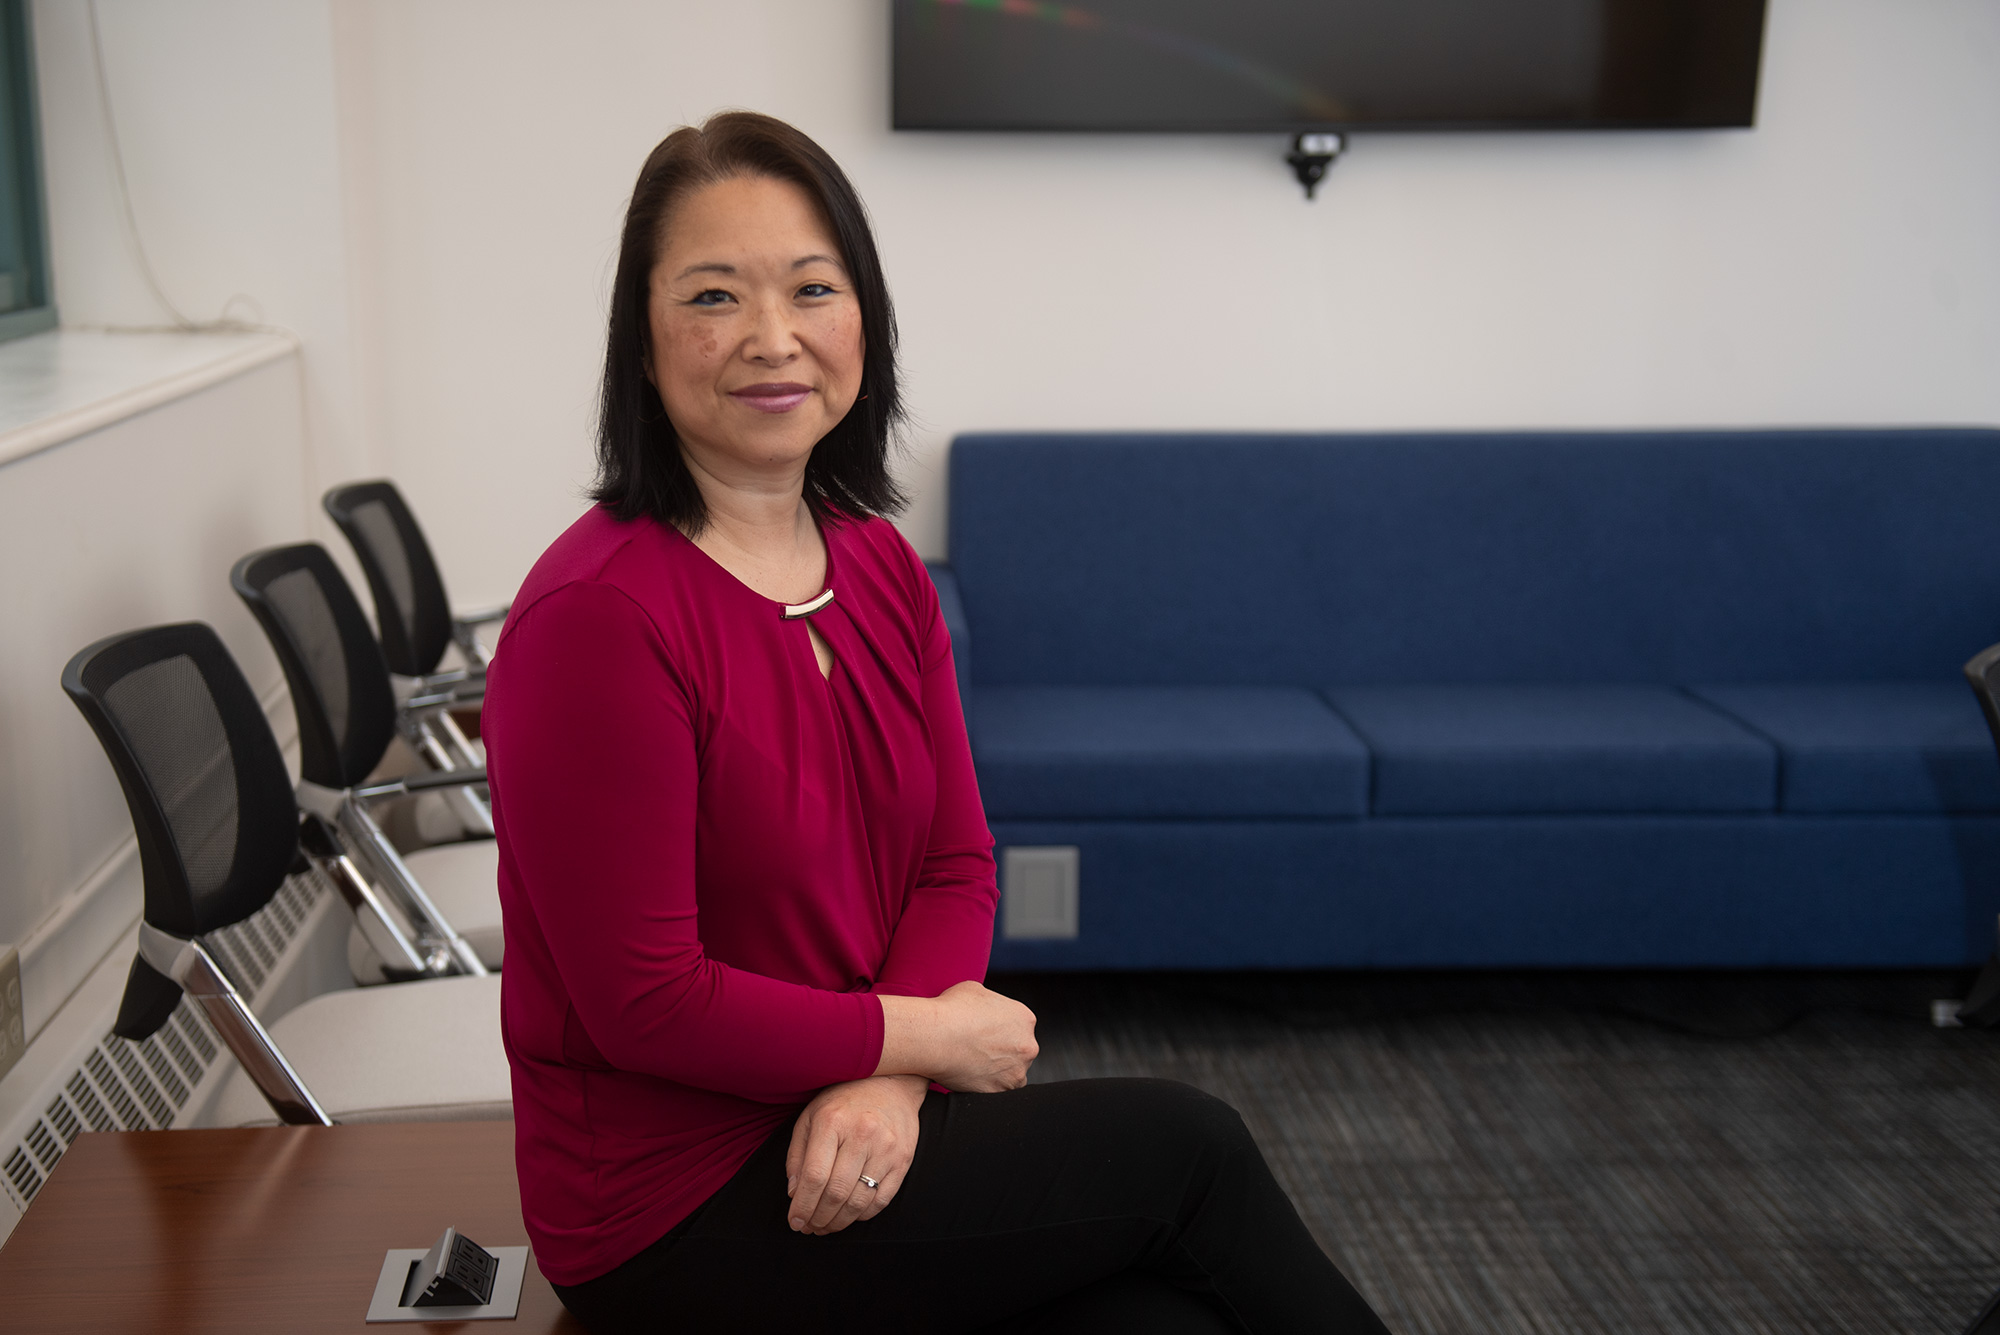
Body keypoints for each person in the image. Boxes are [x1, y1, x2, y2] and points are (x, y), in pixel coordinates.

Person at [481, 111, 1392, 1335]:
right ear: (640, 343)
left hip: (854, 1119)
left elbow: (953, 862)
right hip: (675, 1201)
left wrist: (890, 1079)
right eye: (712, 296)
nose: (770, 337)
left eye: (813, 287)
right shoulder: (596, 619)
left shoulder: (877, 564)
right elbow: (642, 1002)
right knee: (1190, 1151)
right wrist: (925, 1037)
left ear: (864, 319)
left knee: (1163, 1323)